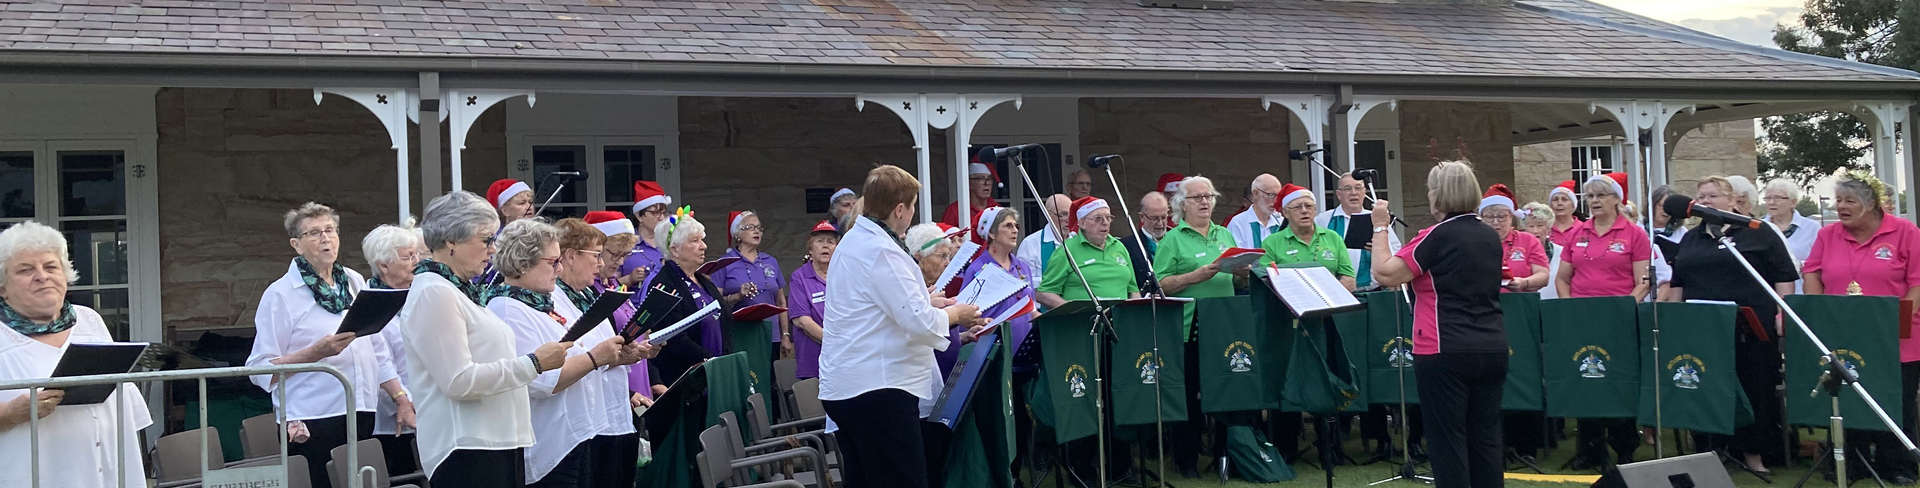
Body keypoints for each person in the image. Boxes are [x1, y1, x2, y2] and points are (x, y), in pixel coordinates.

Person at [821, 165, 984, 488]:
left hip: (851, 386)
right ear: (899, 209)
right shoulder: (881, 250)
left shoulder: (854, 241)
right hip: (878, 389)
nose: (911, 214)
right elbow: (919, 323)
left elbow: (878, 306)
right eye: (911, 207)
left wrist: (929, 302)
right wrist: (957, 315)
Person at [401, 191, 570, 487]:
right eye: (485, 240)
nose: (492, 250)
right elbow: (458, 381)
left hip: (495, 441)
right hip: (467, 447)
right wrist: (533, 364)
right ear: (451, 241)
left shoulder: (459, 289)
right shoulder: (434, 292)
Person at [248, 202, 408, 488]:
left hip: (361, 408)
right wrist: (315, 353)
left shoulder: (353, 281)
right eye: (314, 233)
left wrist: (400, 398)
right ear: (296, 245)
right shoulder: (281, 294)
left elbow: (377, 349)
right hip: (313, 416)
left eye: (330, 230)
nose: (325, 238)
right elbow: (258, 370)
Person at [1368, 160, 1507, 488]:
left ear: (1439, 196)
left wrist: (1379, 227)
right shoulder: (1490, 235)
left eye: (1431, 189)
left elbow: (1386, 273)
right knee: (1485, 437)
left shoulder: (1436, 236)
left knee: (1448, 440)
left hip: (1444, 347)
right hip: (1492, 344)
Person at [0, 221, 152, 488]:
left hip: (109, 471)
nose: (41, 276)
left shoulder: (89, 320)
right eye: (25, 270)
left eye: (50, 266)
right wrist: (12, 412)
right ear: (2, 287)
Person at [1665, 175, 1798, 475]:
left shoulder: (1758, 232)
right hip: (1702, 329)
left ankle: (1754, 454)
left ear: (1732, 200)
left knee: (1755, 388)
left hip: (1752, 327)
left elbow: (1783, 277)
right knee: (1704, 386)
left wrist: (1782, 313)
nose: (1705, 201)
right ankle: (1710, 451)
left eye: (1712, 195)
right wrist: (1675, 319)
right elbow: (1678, 282)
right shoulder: (1691, 237)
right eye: (1701, 196)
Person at [488, 219, 633, 488]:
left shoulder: (539, 303)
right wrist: (594, 358)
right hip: (547, 445)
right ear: (522, 262)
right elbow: (542, 381)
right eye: (552, 262)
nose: (559, 268)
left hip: (573, 435)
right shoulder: (507, 308)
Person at [1804, 171, 1920, 484]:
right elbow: (1812, 271)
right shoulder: (1828, 235)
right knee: (1847, 397)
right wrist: (1818, 311)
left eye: (1849, 200)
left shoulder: (1905, 232)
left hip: (1895, 335)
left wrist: (1901, 320)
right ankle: (1849, 462)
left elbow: (1918, 281)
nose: (1840, 206)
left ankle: (1898, 465)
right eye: (1838, 200)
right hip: (1843, 332)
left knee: (1895, 399)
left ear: (1870, 205)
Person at [1552, 173, 1652, 469]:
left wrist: (1620, 311)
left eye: (1601, 195)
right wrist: (1572, 312)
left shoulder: (1634, 233)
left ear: (1617, 200)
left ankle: (1623, 447)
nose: (1594, 201)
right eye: (1590, 196)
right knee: (1586, 378)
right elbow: (1562, 278)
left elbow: (1643, 282)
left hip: (1619, 320)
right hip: (1582, 319)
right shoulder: (1577, 233)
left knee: (1617, 381)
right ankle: (1589, 449)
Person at [1154, 175, 1248, 478]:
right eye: (1197, 198)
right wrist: (1195, 277)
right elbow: (1161, 284)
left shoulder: (1224, 235)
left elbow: (1236, 280)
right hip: (1187, 329)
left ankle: (1225, 454)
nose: (1205, 202)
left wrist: (1243, 273)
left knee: (1226, 391)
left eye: (1208, 196)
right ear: (1183, 204)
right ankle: (1187, 459)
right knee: (1189, 396)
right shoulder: (1173, 238)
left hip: (1224, 325)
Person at [551, 218, 656, 488]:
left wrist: (625, 354)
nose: (601, 264)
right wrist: (610, 356)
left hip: (612, 409)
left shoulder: (585, 294)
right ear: (571, 257)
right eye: (597, 255)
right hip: (589, 421)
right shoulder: (556, 300)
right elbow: (568, 358)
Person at [361, 220, 426, 474]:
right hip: (394, 420)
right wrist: (405, 401)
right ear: (383, 265)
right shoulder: (370, 300)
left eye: (417, 254)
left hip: (428, 409)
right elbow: (380, 361)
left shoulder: (419, 294)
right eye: (408, 256)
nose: (416, 261)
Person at [644, 209, 726, 387]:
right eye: (695, 241)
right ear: (675, 249)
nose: (703, 246)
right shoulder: (664, 285)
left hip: (717, 375)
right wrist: (712, 362)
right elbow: (674, 339)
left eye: (701, 240)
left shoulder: (703, 280)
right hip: (686, 381)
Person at [951, 207, 1035, 377]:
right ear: (992, 234)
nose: (1015, 230)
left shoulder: (1022, 266)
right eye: (1008, 226)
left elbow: (1031, 308)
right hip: (994, 355)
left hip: (1025, 355)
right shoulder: (976, 269)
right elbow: (964, 316)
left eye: (1016, 226)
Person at [717, 211, 790, 359]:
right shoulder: (725, 263)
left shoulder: (771, 261)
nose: (756, 231)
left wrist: (785, 335)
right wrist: (737, 296)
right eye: (750, 227)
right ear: (737, 234)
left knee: (769, 380)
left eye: (759, 228)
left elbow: (781, 301)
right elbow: (715, 303)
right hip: (740, 333)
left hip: (771, 334)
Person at [1316, 172, 1403, 291]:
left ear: (1364, 192)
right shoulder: (1323, 220)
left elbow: (1396, 252)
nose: (1353, 193)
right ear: (1339, 194)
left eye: (1358, 188)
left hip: (1373, 291)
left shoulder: (1377, 218)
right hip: (1335, 290)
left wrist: (1379, 249)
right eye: (1347, 189)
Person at [787, 221, 839, 380]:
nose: (825, 246)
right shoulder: (799, 277)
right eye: (820, 241)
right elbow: (802, 321)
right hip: (813, 363)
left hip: (844, 362)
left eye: (830, 242)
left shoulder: (843, 275)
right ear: (810, 249)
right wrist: (836, 344)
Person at [1483, 185, 1549, 294]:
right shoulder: (1475, 242)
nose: (1495, 222)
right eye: (1489, 217)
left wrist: (1524, 282)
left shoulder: (1528, 240)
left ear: (1510, 217)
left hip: (1521, 302)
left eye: (1501, 216)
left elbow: (1543, 275)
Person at [1763, 179, 1820, 293]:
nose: (1771, 202)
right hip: (1767, 295)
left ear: (1793, 202)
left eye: (1777, 198)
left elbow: (1821, 262)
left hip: (1802, 294)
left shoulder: (1811, 227)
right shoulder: (1758, 228)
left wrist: (1799, 265)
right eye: (1768, 198)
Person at [619, 181, 674, 289]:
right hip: (634, 305)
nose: (661, 218)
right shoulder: (625, 243)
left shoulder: (671, 241)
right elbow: (609, 286)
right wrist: (629, 279)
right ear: (639, 216)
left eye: (663, 213)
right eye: (655, 213)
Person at [1123, 191, 1173, 295]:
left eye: (1164, 217)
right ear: (1142, 217)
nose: (1160, 223)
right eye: (1154, 218)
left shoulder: (1177, 240)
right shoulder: (1127, 245)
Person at [1018, 194, 1073, 276]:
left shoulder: (1078, 239)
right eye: (1064, 214)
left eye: (1071, 214)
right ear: (1048, 215)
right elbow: (1025, 280)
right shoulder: (1030, 244)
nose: (1069, 219)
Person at [1227, 174, 1285, 249]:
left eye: (1278, 196)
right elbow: (1236, 257)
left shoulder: (1281, 222)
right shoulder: (1238, 223)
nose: (1276, 201)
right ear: (1256, 194)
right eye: (1271, 195)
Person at [1518, 202, 1562, 299]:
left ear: (1549, 228)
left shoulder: (1561, 253)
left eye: (1540, 225)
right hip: (1527, 304)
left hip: (1554, 305)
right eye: (1531, 226)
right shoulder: (1518, 253)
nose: (1535, 231)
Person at [941, 158, 1001, 228]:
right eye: (981, 179)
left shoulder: (996, 208)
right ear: (970, 183)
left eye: (989, 179)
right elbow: (946, 236)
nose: (987, 183)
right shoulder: (955, 210)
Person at [1548, 180, 1582, 246]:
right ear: (1550, 205)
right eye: (1555, 199)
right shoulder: (1545, 228)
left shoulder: (1583, 229)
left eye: (1564, 199)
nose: (1559, 203)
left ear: (1573, 205)